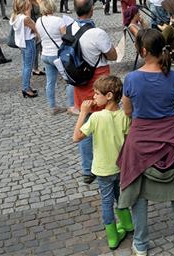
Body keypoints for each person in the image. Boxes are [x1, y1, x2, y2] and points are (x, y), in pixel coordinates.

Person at [117, 28, 174, 256]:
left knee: (138, 194)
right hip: (172, 139)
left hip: (140, 142)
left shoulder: (131, 79)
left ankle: (140, 243)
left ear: (142, 51)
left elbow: (128, 111)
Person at [72, 76, 133, 249]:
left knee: (107, 202)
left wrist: (83, 113)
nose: (93, 97)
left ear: (108, 96)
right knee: (119, 195)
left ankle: (112, 236)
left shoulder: (96, 118)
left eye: (97, 93)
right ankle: (128, 224)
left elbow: (76, 137)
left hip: (103, 169)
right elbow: (128, 141)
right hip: (119, 167)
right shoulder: (124, 116)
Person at [70, 0, 118, 183]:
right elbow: (113, 55)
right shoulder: (97, 33)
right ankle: (110, 162)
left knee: (86, 124)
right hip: (100, 82)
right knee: (108, 122)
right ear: (91, 10)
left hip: (79, 84)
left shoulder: (68, 29)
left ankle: (87, 169)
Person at [36, 0, 72, 114]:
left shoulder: (38, 21)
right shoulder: (59, 21)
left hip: (45, 54)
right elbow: (65, 37)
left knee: (50, 82)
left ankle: (53, 107)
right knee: (69, 80)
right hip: (58, 55)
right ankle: (71, 105)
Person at [10, 0, 39, 98]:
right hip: (29, 42)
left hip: (22, 43)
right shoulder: (25, 18)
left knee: (26, 65)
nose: (30, 4)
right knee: (28, 67)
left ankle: (27, 86)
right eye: (28, 3)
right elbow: (35, 27)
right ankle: (26, 88)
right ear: (25, 5)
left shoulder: (16, 16)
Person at [25, 0, 44, 76]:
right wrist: (34, 30)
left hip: (41, 26)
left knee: (43, 47)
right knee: (36, 49)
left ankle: (46, 64)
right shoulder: (29, 3)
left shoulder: (37, 0)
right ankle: (35, 68)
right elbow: (29, 18)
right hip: (35, 27)